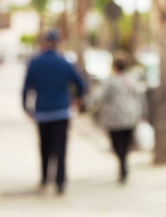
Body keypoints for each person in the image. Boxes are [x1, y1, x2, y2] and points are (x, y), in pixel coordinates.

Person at [22, 30, 85, 195]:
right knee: (61, 147)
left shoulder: (35, 62)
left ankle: (44, 178)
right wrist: (77, 99)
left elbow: (26, 87)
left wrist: (26, 108)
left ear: (43, 43)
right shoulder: (64, 62)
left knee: (44, 146)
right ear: (57, 43)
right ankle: (60, 181)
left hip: (42, 112)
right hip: (61, 112)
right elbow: (80, 84)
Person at [95, 52, 144, 184]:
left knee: (117, 145)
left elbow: (98, 96)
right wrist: (141, 114)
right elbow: (139, 98)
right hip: (130, 117)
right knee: (125, 144)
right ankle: (123, 164)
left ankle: (122, 165)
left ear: (114, 66)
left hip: (115, 119)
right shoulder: (131, 80)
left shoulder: (111, 81)